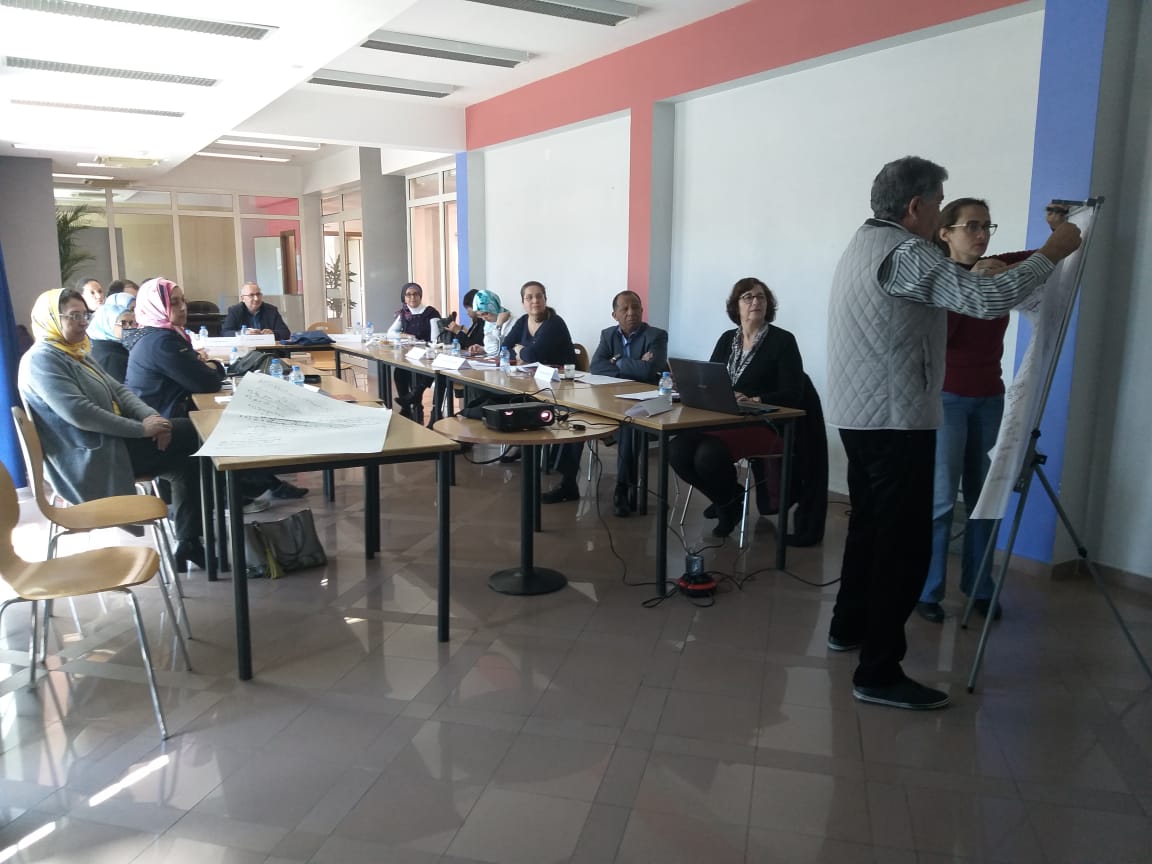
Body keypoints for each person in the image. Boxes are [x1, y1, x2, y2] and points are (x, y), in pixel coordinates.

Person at [825, 155, 1082, 711]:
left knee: (869, 529)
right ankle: (878, 671)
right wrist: (1054, 250)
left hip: (860, 415)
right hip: (896, 419)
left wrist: (983, 272)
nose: (942, 213)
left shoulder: (865, 242)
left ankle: (848, 626)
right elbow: (988, 302)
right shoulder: (906, 250)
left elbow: (958, 288)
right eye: (940, 204)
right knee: (903, 545)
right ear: (916, 207)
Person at [915, 198, 1069, 624]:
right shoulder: (937, 279)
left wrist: (1057, 226)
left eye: (987, 226)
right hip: (946, 399)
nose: (981, 234)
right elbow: (941, 338)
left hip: (990, 398)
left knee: (987, 497)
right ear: (945, 233)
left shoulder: (1001, 264)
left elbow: (1049, 256)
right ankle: (927, 590)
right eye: (972, 226)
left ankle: (980, 586)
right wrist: (975, 286)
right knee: (941, 500)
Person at [18, 288, 206, 569]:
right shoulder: (42, 360)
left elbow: (119, 390)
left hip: (111, 442)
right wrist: (142, 430)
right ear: (51, 319)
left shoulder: (75, 351)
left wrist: (153, 419)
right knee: (197, 431)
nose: (83, 322)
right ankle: (243, 496)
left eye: (85, 315)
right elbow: (80, 413)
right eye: (74, 316)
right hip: (91, 455)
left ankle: (190, 542)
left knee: (188, 459)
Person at [125, 278, 307, 508]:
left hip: (166, 412)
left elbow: (196, 371)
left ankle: (244, 491)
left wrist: (204, 366)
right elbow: (206, 382)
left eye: (183, 301)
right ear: (156, 306)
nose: (183, 307)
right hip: (162, 422)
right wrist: (214, 365)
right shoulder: (161, 341)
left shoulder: (159, 334)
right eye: (174, 302)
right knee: (232, 428)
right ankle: (239, 494)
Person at [668, 278, 805, 537]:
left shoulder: (783, 341)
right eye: (748, 297)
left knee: (707, 455)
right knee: (676, 451)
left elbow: (793, 393)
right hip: (723, 420)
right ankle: (729, 500)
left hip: (763, 424)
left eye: (761, 297)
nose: (756, 302)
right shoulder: (727, 339)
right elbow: (708, 382)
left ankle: (726, 505)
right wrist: (686, 384)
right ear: (736, 306)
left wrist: (755, 399)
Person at [590, 290, 668, 516]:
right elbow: (596, 367)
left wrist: (617, 361)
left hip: (648, 404)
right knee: (574, 415)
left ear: (642, 310)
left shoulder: (656, 336)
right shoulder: (608, 335)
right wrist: (633, 364)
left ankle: (623, 490)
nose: (631, 312)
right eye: (625, 309)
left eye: (636, 307)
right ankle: (567, 482)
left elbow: (650, 370)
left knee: (629, 428)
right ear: (614, 315)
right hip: (613, 400)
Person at [501, 282, 579, 502]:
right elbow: (505, 347)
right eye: (529, 297)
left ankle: (567, 481)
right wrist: (520, 352)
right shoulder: (522, 321)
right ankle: (522, 446)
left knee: (571, 418)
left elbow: (533, 354)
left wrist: (521, 351)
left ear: (545, 299)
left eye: (539, 296)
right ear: (523, 302)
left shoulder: (554, 323)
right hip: (532, 384)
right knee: (499, 398)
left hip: (564, 388)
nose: (535, 301)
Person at [386, 282, 441, 422]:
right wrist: (404, 335)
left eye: (415, 294)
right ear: (404, 297)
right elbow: (390, 333)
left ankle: (415, 406)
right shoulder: (404, 313)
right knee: (399, 372)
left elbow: (435, 339)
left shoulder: (431, 313)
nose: (412, 297)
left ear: (420, 296)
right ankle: (407, 407)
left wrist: (421, 345)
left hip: (427, 354)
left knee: (416, 373)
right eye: (408, 295)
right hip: (409, 355)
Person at [87, 292, 136, 383]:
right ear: (107, 324)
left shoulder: (116, 346)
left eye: (132, 322)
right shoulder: (109, 358)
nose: (130, 327)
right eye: (123, 323)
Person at [221, 282, 291, 340]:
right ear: (243, 298)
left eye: (258, 294)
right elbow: (225, 333)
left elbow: (285, 333)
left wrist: (273, 333)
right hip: (245, 349)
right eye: (251, 295)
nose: (256, 298)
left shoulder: (271, 310)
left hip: (268, 349)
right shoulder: (235, 311)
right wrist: (243, 333)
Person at [471, 289, 513, 357]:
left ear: (493, 308)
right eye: (480, 315)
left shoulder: (513, 322)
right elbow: (493, 350)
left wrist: (498, 326)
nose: (484, 318)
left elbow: (503, 350)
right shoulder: (489, 323)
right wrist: (483, 349)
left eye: (485, 313)